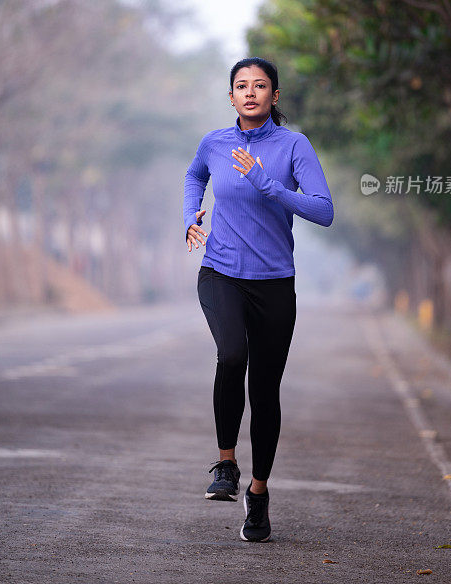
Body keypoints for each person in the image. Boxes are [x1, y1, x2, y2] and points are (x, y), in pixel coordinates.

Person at [183, 57, 334, 542]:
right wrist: (192, 216)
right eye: (241, 86)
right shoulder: (215, 143)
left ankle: (259, 493)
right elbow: (194, 176)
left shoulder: (294, 146)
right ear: (231, 97)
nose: (250, 92)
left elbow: (323, 210)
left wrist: (267, 184)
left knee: (265, 392)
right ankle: (225, 464)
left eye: (260, 86)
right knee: (232, 355)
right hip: (221, 271)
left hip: (273, 283)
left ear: (274, 96)